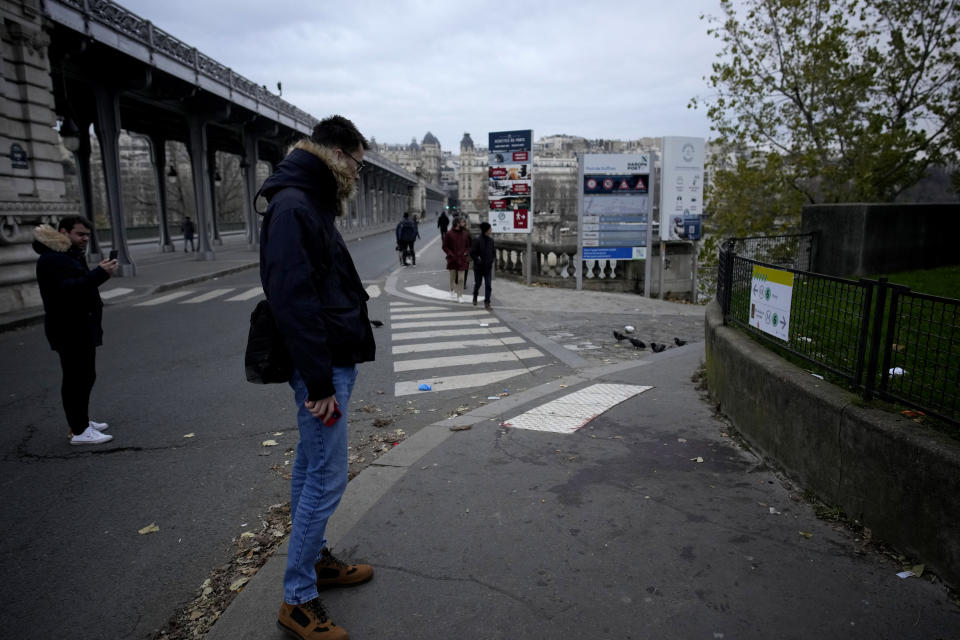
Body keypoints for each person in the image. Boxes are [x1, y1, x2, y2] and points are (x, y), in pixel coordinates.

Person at [258, 115, 375, 640]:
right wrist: (321, 383)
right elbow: (293, 301)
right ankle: (297, 599)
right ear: (337, 153)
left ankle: (316, 563)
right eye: (357, 161)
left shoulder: (307, 199)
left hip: (328, 359)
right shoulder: (294, 205)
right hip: (322, 368)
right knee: (325, 479)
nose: (358, 172)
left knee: (310, 470)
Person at [33, 216, 118, 445]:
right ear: (63, 231)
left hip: (78, 327)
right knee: (76, 379)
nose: (85, 239)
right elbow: (68, 291)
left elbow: (78, 285)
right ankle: (79, 431)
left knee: (85, 376)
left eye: (87, 235)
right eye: (80, 234)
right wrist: (100, 274)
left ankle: (81, 422)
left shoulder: (65, 254)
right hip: (69, 329)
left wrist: (97, 275)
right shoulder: (53, 259)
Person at [442, 216, 471, 303]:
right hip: (452, 259)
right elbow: (444, 246)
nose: (464, 224)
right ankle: (452, 289)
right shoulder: (449, 234)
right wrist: (450, 254)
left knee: (461, 279)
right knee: (452, 278)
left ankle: (460, 295)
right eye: (462, 222)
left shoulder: (465, 234)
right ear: (457, 223)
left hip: (462, 259)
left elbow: (468, 246)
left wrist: (466, 252)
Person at [470, 221, 495, 309]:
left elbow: (493, 252)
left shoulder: (491, 240)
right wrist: (478, 260)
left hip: (488, 267)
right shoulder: (477, 240)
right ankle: (475, 295)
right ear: (486, 230)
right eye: (490, 228)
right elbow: (472, 253)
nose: (491, 230)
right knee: (478, 283)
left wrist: (491, 260)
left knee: (488, 285)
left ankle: (487, 302)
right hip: (479, 268)